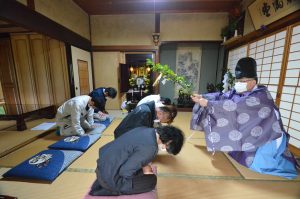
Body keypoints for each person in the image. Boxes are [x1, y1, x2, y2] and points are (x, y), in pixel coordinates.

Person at [190, 57, 298, 179]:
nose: (239, 84)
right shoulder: (240, 90)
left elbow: (236, 106)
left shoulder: (261, 96)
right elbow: (222, 96)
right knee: (237, 150)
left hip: (269, 136)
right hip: (254, 132)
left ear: (253, 81)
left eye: (243, 81)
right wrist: (203, 97)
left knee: (259, 165)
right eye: (238, 81)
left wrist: (208, 104)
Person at [89, 125, 184, 196]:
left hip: (102, 164)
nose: (164, 149)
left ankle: (105, 183)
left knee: (141, 168)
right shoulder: (151, 148)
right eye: (167, 148)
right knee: (151, 180)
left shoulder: (146, 130)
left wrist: (144, 164)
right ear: (169, 141)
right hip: (110, 178)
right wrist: (147, 172)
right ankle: (111, 189)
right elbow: (125, 172)